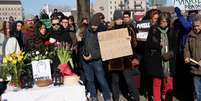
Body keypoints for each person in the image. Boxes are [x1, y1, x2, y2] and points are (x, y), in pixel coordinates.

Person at [144, 12, 177, 101]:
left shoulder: (172, 30)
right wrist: (158, 45)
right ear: (159, 21)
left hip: (169, 63)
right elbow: (148, 45)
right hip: (156, 61)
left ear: (168, 22)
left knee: (169, 84)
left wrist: (170, 54)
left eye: (165, 21)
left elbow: (175, 46)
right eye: (162, 21)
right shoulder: (153, 29)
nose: (163, 23)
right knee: (156, 83)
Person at [82, 13, 111, 101]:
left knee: (101, 80)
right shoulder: (86, 31)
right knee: (90, 80)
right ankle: (94, 97)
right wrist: (83, 53)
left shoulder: (101, 32)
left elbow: (103, 48)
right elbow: (84, 45)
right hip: (86, 61)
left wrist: (93, 56)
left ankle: (107, 97)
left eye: (96, 25)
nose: (94, 27)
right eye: (93, 25)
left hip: (97, 61)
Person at [184, 15, 201, 101]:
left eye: (198, 26)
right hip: (195, 69)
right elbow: (186, 49)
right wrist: (186, 57)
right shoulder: (189, 36)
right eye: (194, 26)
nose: (196, 28)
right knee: (197, 92)